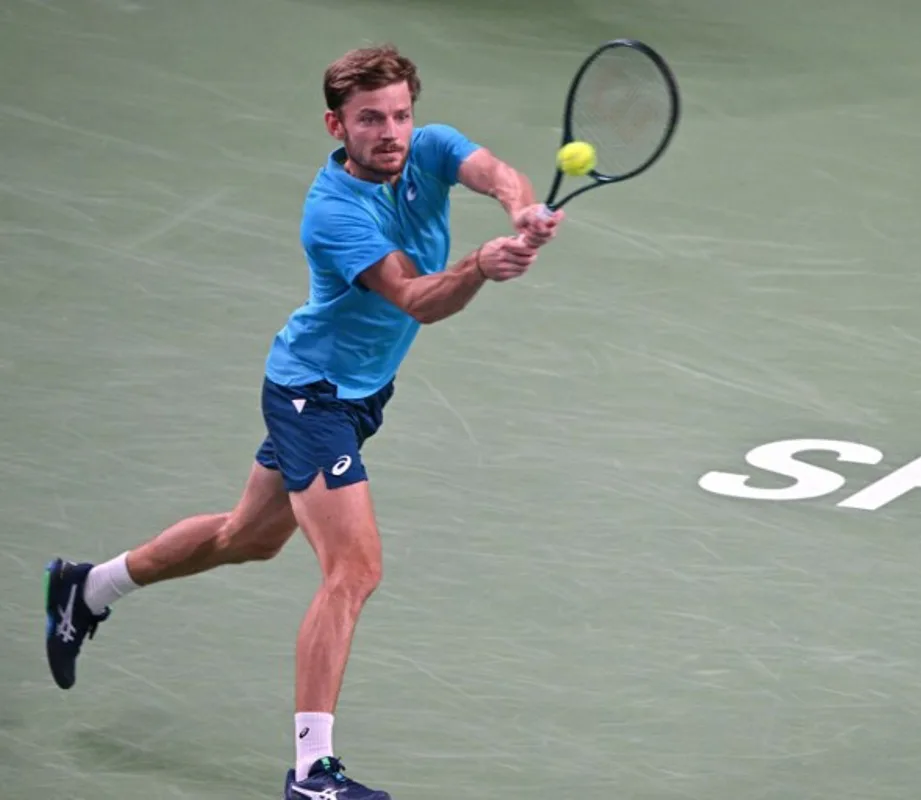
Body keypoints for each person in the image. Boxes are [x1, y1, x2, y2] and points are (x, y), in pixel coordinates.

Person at [43, 43, 564, 800]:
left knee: (243, 539)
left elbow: (492, 171)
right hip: (311, 397)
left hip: (356, 394)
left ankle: (88, 588)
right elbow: (419, 300)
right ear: (335, 125)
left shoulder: (429, 147)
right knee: (354, 570)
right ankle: (313, 773)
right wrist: (482, 265)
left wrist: (523, 208)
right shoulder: (333, 213)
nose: (390, 132)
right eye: (369, 120)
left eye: (400, 115)